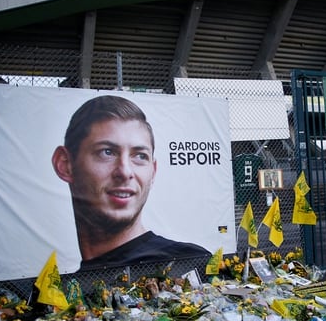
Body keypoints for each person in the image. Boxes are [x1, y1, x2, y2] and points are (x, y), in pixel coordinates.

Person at [51, 95, 210, 269]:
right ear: (65, 165)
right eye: (107, 152)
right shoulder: (53, 287)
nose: (125, 172)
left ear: (153, 171)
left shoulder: (189, 264)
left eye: (140, 156)